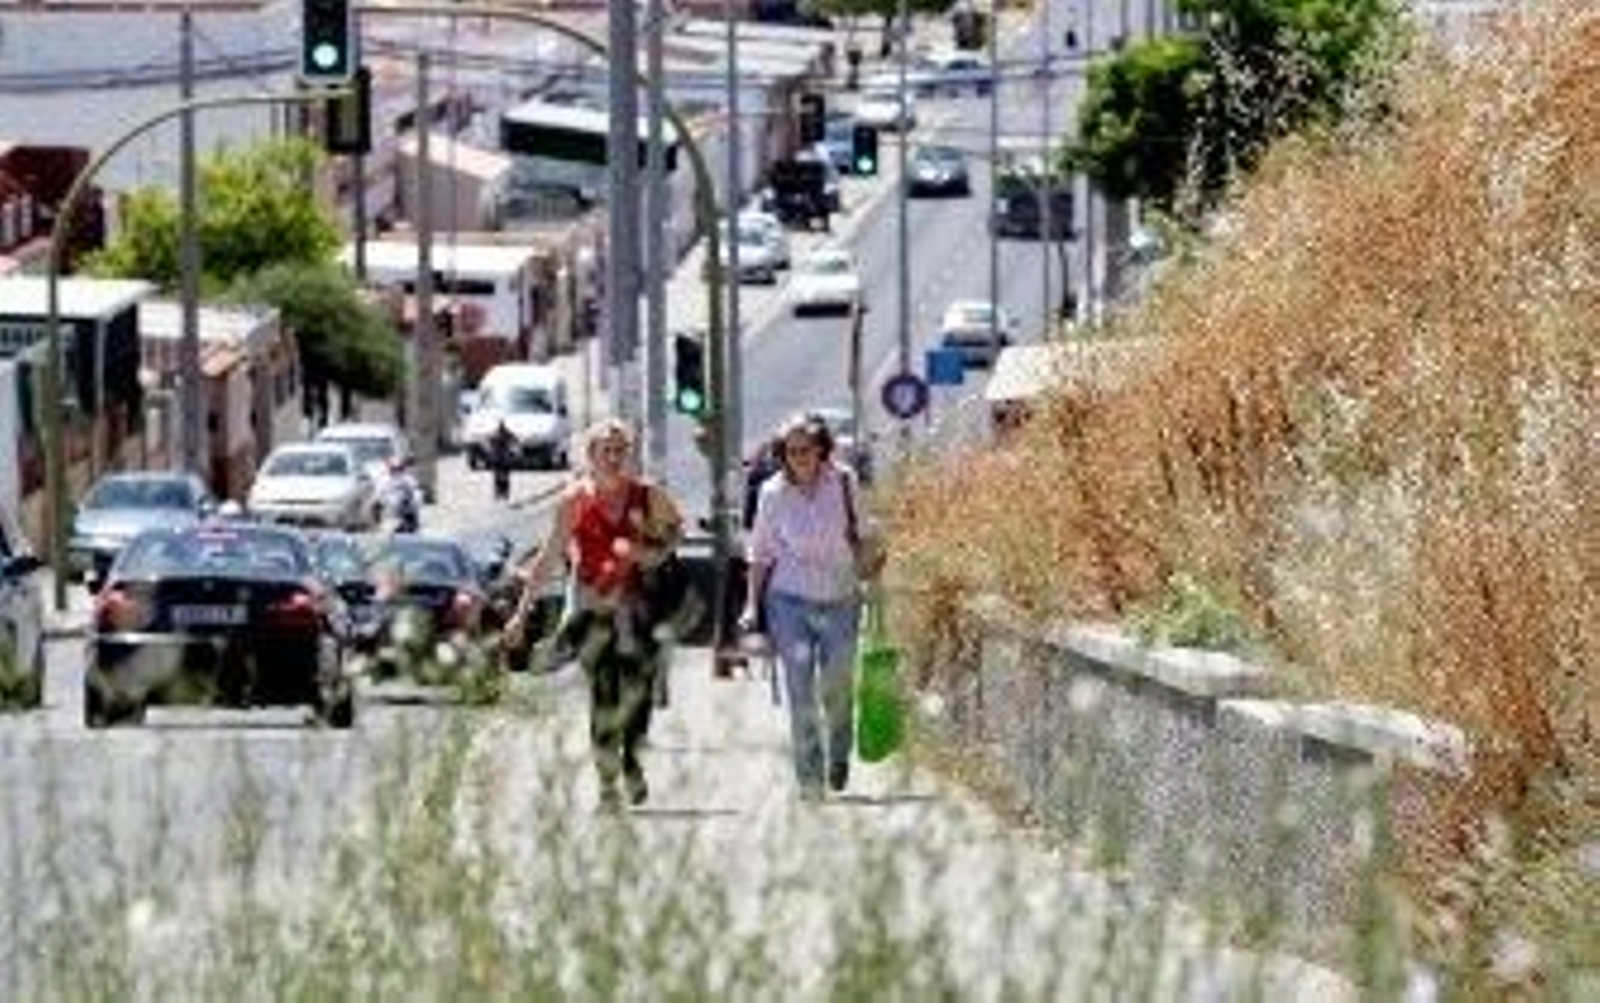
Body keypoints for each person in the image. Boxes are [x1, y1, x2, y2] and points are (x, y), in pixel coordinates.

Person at [505, 419, 684, 810]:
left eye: (621, 450)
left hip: (638, 603)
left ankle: (632, 762)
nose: (615, 457)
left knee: (637, 694)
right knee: (604, 695)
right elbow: (549, 557)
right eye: (607, 450)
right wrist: (521, 613)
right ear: (591, 456)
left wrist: (653, 554)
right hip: (592, 603)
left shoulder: (647, 495)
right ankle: (607, 785)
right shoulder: (573, 500)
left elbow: (675, 529)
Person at [738, 412, 872, 802]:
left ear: (821, 450)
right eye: (790, 451)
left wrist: (872, 572)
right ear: (782, 454)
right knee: (800, 691)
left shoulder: (844, 481)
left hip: (841, 596)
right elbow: (760, 553)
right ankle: (809, 777)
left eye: (806, 450)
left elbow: (861, 534)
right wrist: (751, 604)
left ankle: (839, 753)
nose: (799, 458)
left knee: (837, 685)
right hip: (789, 599)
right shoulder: (772, 493)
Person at [488, 419, 516, 502]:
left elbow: (489, 443)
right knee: (502, 476)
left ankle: (500, 492)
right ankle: (502, 492)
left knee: (500, 476)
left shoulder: (496, 435)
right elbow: (515, 441)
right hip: (502, 459)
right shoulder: (506, 434)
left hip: (499, 458)